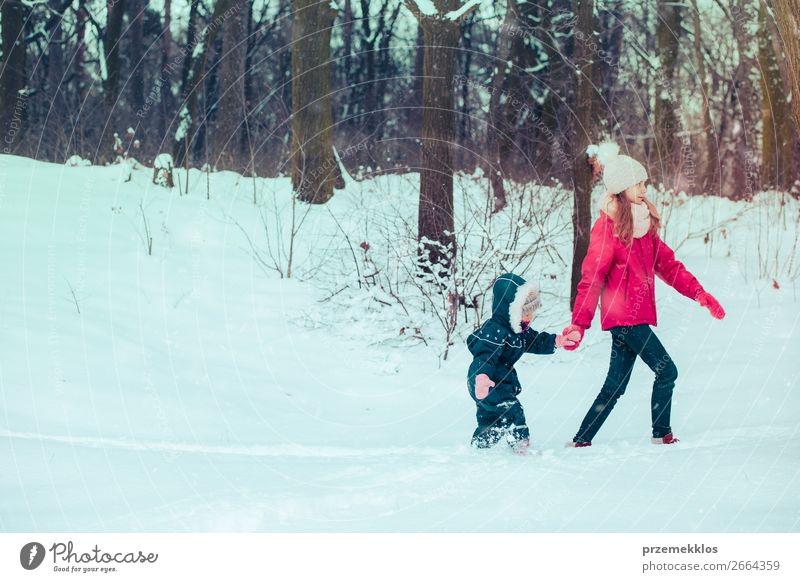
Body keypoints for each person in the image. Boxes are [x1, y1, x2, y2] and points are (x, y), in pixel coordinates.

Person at [563, 154, 726, 447]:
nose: (643, 189)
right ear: (621, 188)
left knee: (615, 386)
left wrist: (699, 293)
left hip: (633, 318)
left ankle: (581, 440)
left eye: (644, 183)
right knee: (667, 370)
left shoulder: (645, 225)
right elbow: (592, 276)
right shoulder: (608, 226)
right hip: (624, 316)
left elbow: (669, 265)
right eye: (637, 184)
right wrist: (579, 323)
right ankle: (661, 435)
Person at [467, 273, 579, 454]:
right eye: (525, 314)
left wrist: (558, 340)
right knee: (512, 409)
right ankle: (520, 443)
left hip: (499, 381)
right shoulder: (494, 331)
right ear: (510, 310)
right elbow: (484, 356)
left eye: (531, 314)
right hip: (485, 380)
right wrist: (482, 378)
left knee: (490, 419)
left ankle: (479, 448)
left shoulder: (518, 330)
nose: (529, 319)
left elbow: (536, 340)